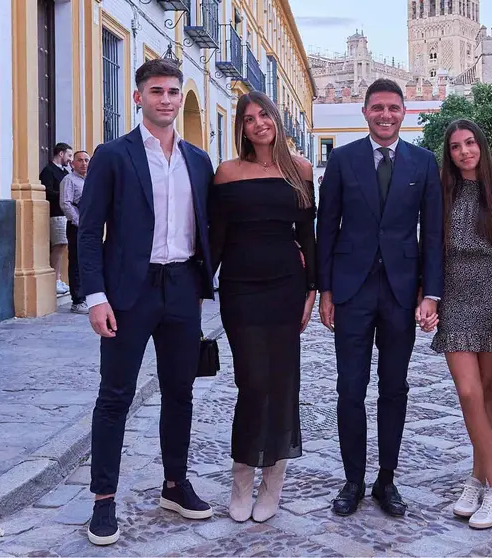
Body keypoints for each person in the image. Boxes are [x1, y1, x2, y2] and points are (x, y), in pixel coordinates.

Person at [77, 59, 216, 546]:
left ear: (180, 98)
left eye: (173, 91)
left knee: (180, 392)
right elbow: (90, 231)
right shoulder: (113, 156)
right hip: (126, 293)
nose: (166, 99)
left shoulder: (199, 161)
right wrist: (96, 297)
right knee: (115, 396)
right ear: (138, 97)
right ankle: (103, 501)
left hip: (182, 289)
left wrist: (204, 285)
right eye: (156, 90)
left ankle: (175, 485)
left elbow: (209, 228)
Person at [316, 78, 443, 518]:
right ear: (365, 112)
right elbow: (326, 226)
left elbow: (433, 232)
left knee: (394, 388)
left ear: (403, 113)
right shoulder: (343, 159)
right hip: (351, 291)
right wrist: (326, 289)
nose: (385, 115)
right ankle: (352, 480)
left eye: (393, 108)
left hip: (401, 292)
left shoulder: (424, 163)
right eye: (377, 108)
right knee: (349, 389)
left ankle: (386, 480)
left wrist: (432, 292)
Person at [210, 90, 316, 523]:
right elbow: (215, 237)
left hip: (286, 288)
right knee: (252, 382)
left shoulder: (301, 171)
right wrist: (196, 286)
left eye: (265, 115)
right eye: (249, 118)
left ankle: (274, 477)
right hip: (239, 287)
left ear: (277, 120)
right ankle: (241, 474)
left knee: (282, 381)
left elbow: (309, 237)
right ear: (241, 127)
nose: (259, 123)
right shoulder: (226, 173)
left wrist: (312, 291)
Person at [429, 119, 492, 529]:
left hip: (491, 300)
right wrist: (427, 296)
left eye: (470, 143)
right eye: (455, 147)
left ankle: (477, 478)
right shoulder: (439, 196)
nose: (465, 151)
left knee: (486, 395)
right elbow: (427, 251)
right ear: (448, 155)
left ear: (482, 147)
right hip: (453, 299)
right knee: (468, 392)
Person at [60, 150, 91, 314]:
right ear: (73, 163)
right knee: (77, 262)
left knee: (88, 260)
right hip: (77, 226)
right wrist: (79, 222)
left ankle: (88, 296)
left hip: (90, 226)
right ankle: (77, 300)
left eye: (86, 160)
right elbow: (65, 203)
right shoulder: (69, 180)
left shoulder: (90, 181)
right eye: (80, 160)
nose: (84, 163)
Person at [41, 142, 72, 296]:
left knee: (63, 246)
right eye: (69, 155)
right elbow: (47, 191)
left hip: (64, 214)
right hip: (55, 213)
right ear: (61, 154)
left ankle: (58, 278)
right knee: (59, 245)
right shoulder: (49, 171)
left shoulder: (65, 173)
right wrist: (65, 196)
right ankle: (54, 280)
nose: (70, 159)